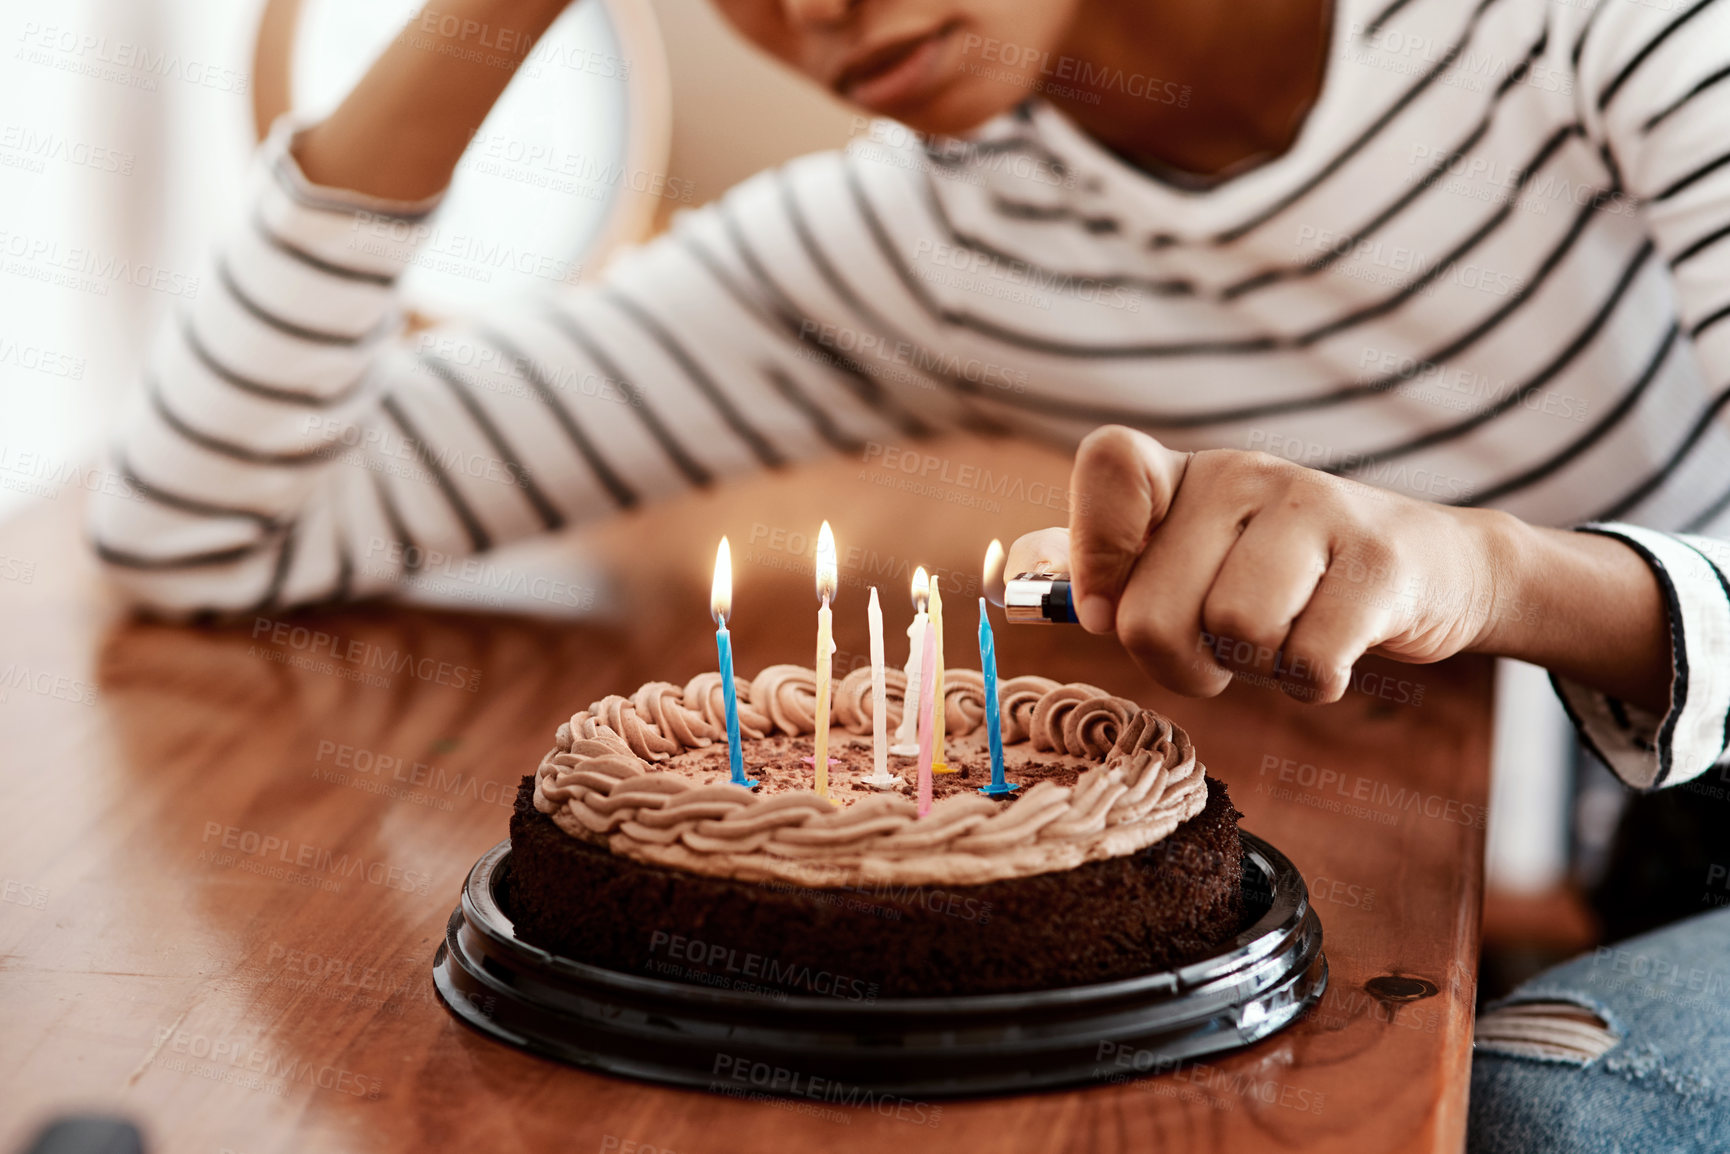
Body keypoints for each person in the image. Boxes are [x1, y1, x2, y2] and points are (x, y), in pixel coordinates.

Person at [86, 0, 1730, 1146]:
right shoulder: (924, 258)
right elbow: (205, 519)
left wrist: (1489, 572)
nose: (811, 7)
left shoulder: (1589, 24)